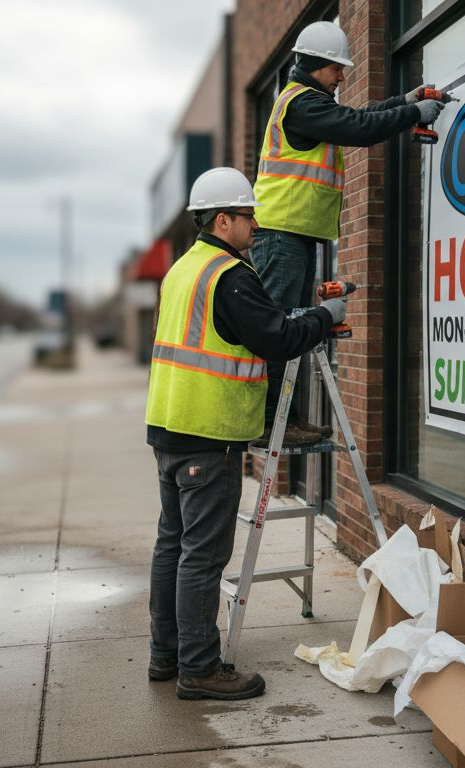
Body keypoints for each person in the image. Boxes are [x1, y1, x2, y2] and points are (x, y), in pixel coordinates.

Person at [145, 167, 345, 700]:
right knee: (202, 556)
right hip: (208, 434)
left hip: (169, 427)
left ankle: (166, 654)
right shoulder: (230, 275)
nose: (256, 226)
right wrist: (326, 316)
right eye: (248, 216)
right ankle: (199, 669)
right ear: (222, 220)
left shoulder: (182, 269)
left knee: (172, 546)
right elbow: (277, 338)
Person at [250, 20, 445, 445]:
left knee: (292, 327)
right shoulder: (302, 104)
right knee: (280, 329)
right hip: (282, 233)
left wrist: (404, 101)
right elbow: (357, 127)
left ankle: (286, 419)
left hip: (292, 233)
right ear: (315, 64)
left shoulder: (310, 103)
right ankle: (267, 423)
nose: (341, 75)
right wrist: (413, 114)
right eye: (336, 67)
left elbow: (357, 116)